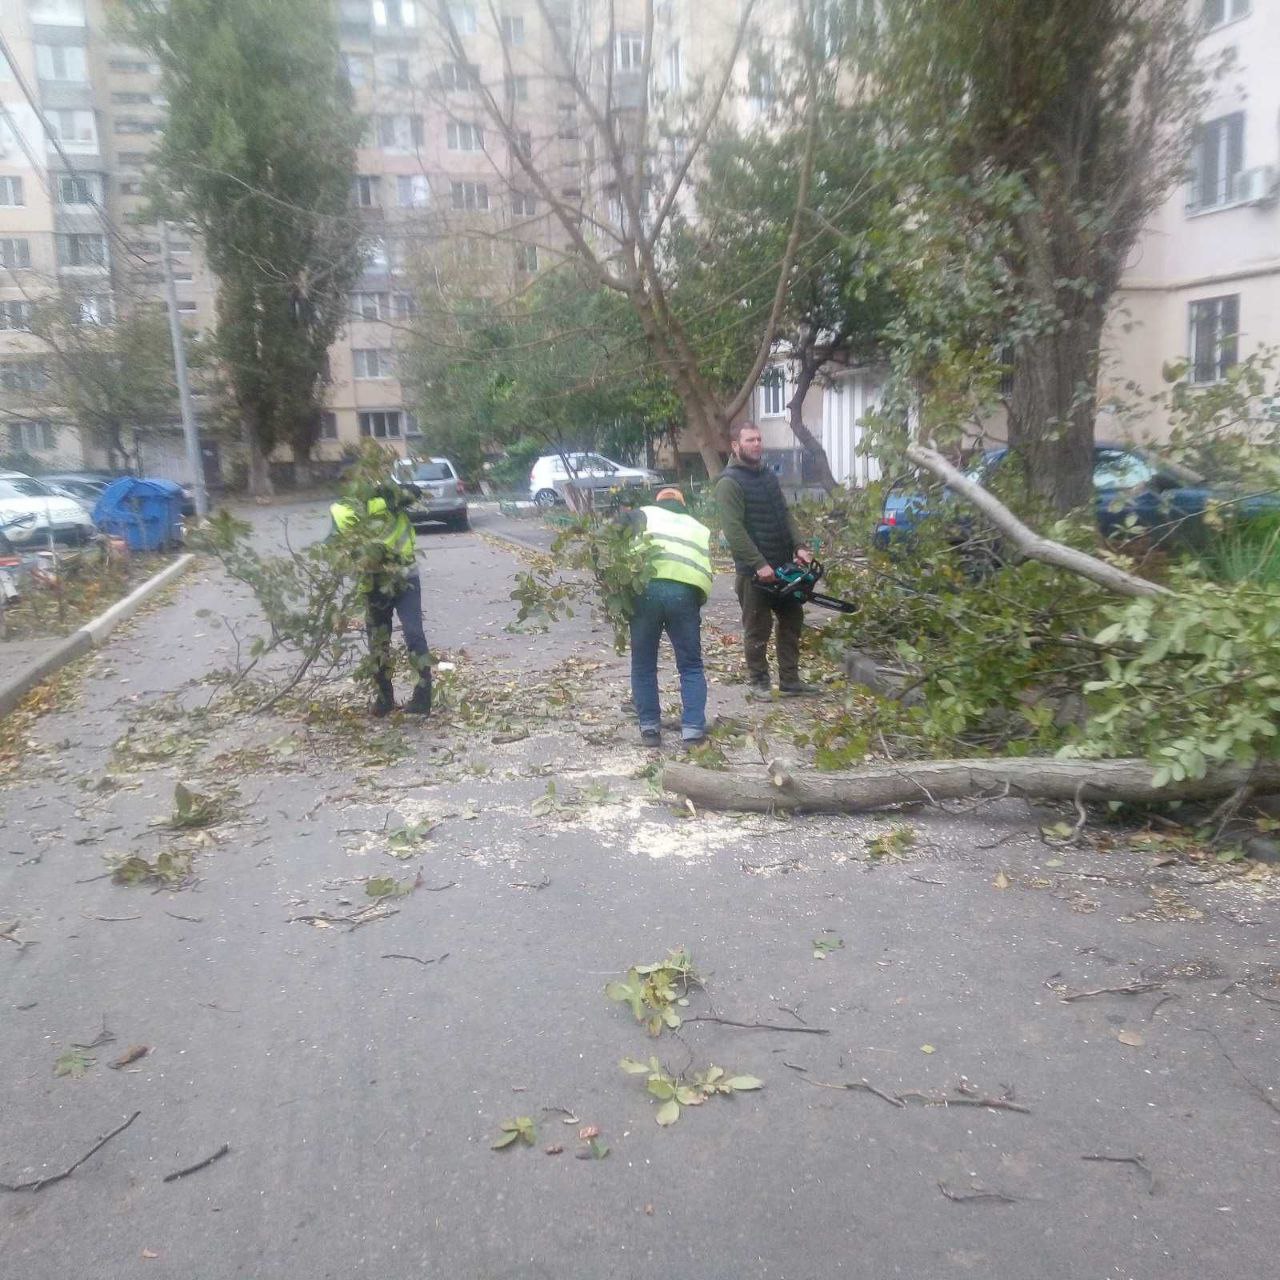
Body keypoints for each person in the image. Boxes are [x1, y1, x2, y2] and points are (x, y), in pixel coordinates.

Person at [714, 422, 815, 697]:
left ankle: (790, 680)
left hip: (784, 566)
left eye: (759, 439)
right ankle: (759, 682)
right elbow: (734, 530)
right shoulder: (729, 483)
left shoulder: (768, 477)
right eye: (750, 440)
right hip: (754, 574)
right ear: (736, 446)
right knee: (757, 630)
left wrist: (800, 546)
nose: (757, 444)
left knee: (792, 621)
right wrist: (759, 564)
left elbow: (784, 514)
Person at [330, 481, 432, 718]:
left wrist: (385, 491)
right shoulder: (341, 510)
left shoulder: (389, 497)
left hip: (405, 576)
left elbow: (414, 493)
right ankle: (384, 699)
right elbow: (338, 545)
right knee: (378, 641)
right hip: (373, 582)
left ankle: (423, 698)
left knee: (414, 634)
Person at [625, 487, 713, 748]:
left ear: (657, 502)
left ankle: (650, 729)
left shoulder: (642, 514)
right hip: (685, 595)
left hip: (645, 590)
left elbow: (609, 539)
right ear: (683, 504)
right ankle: (693, 730)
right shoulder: (699, 527)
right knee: (691, 665)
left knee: (643, 663)